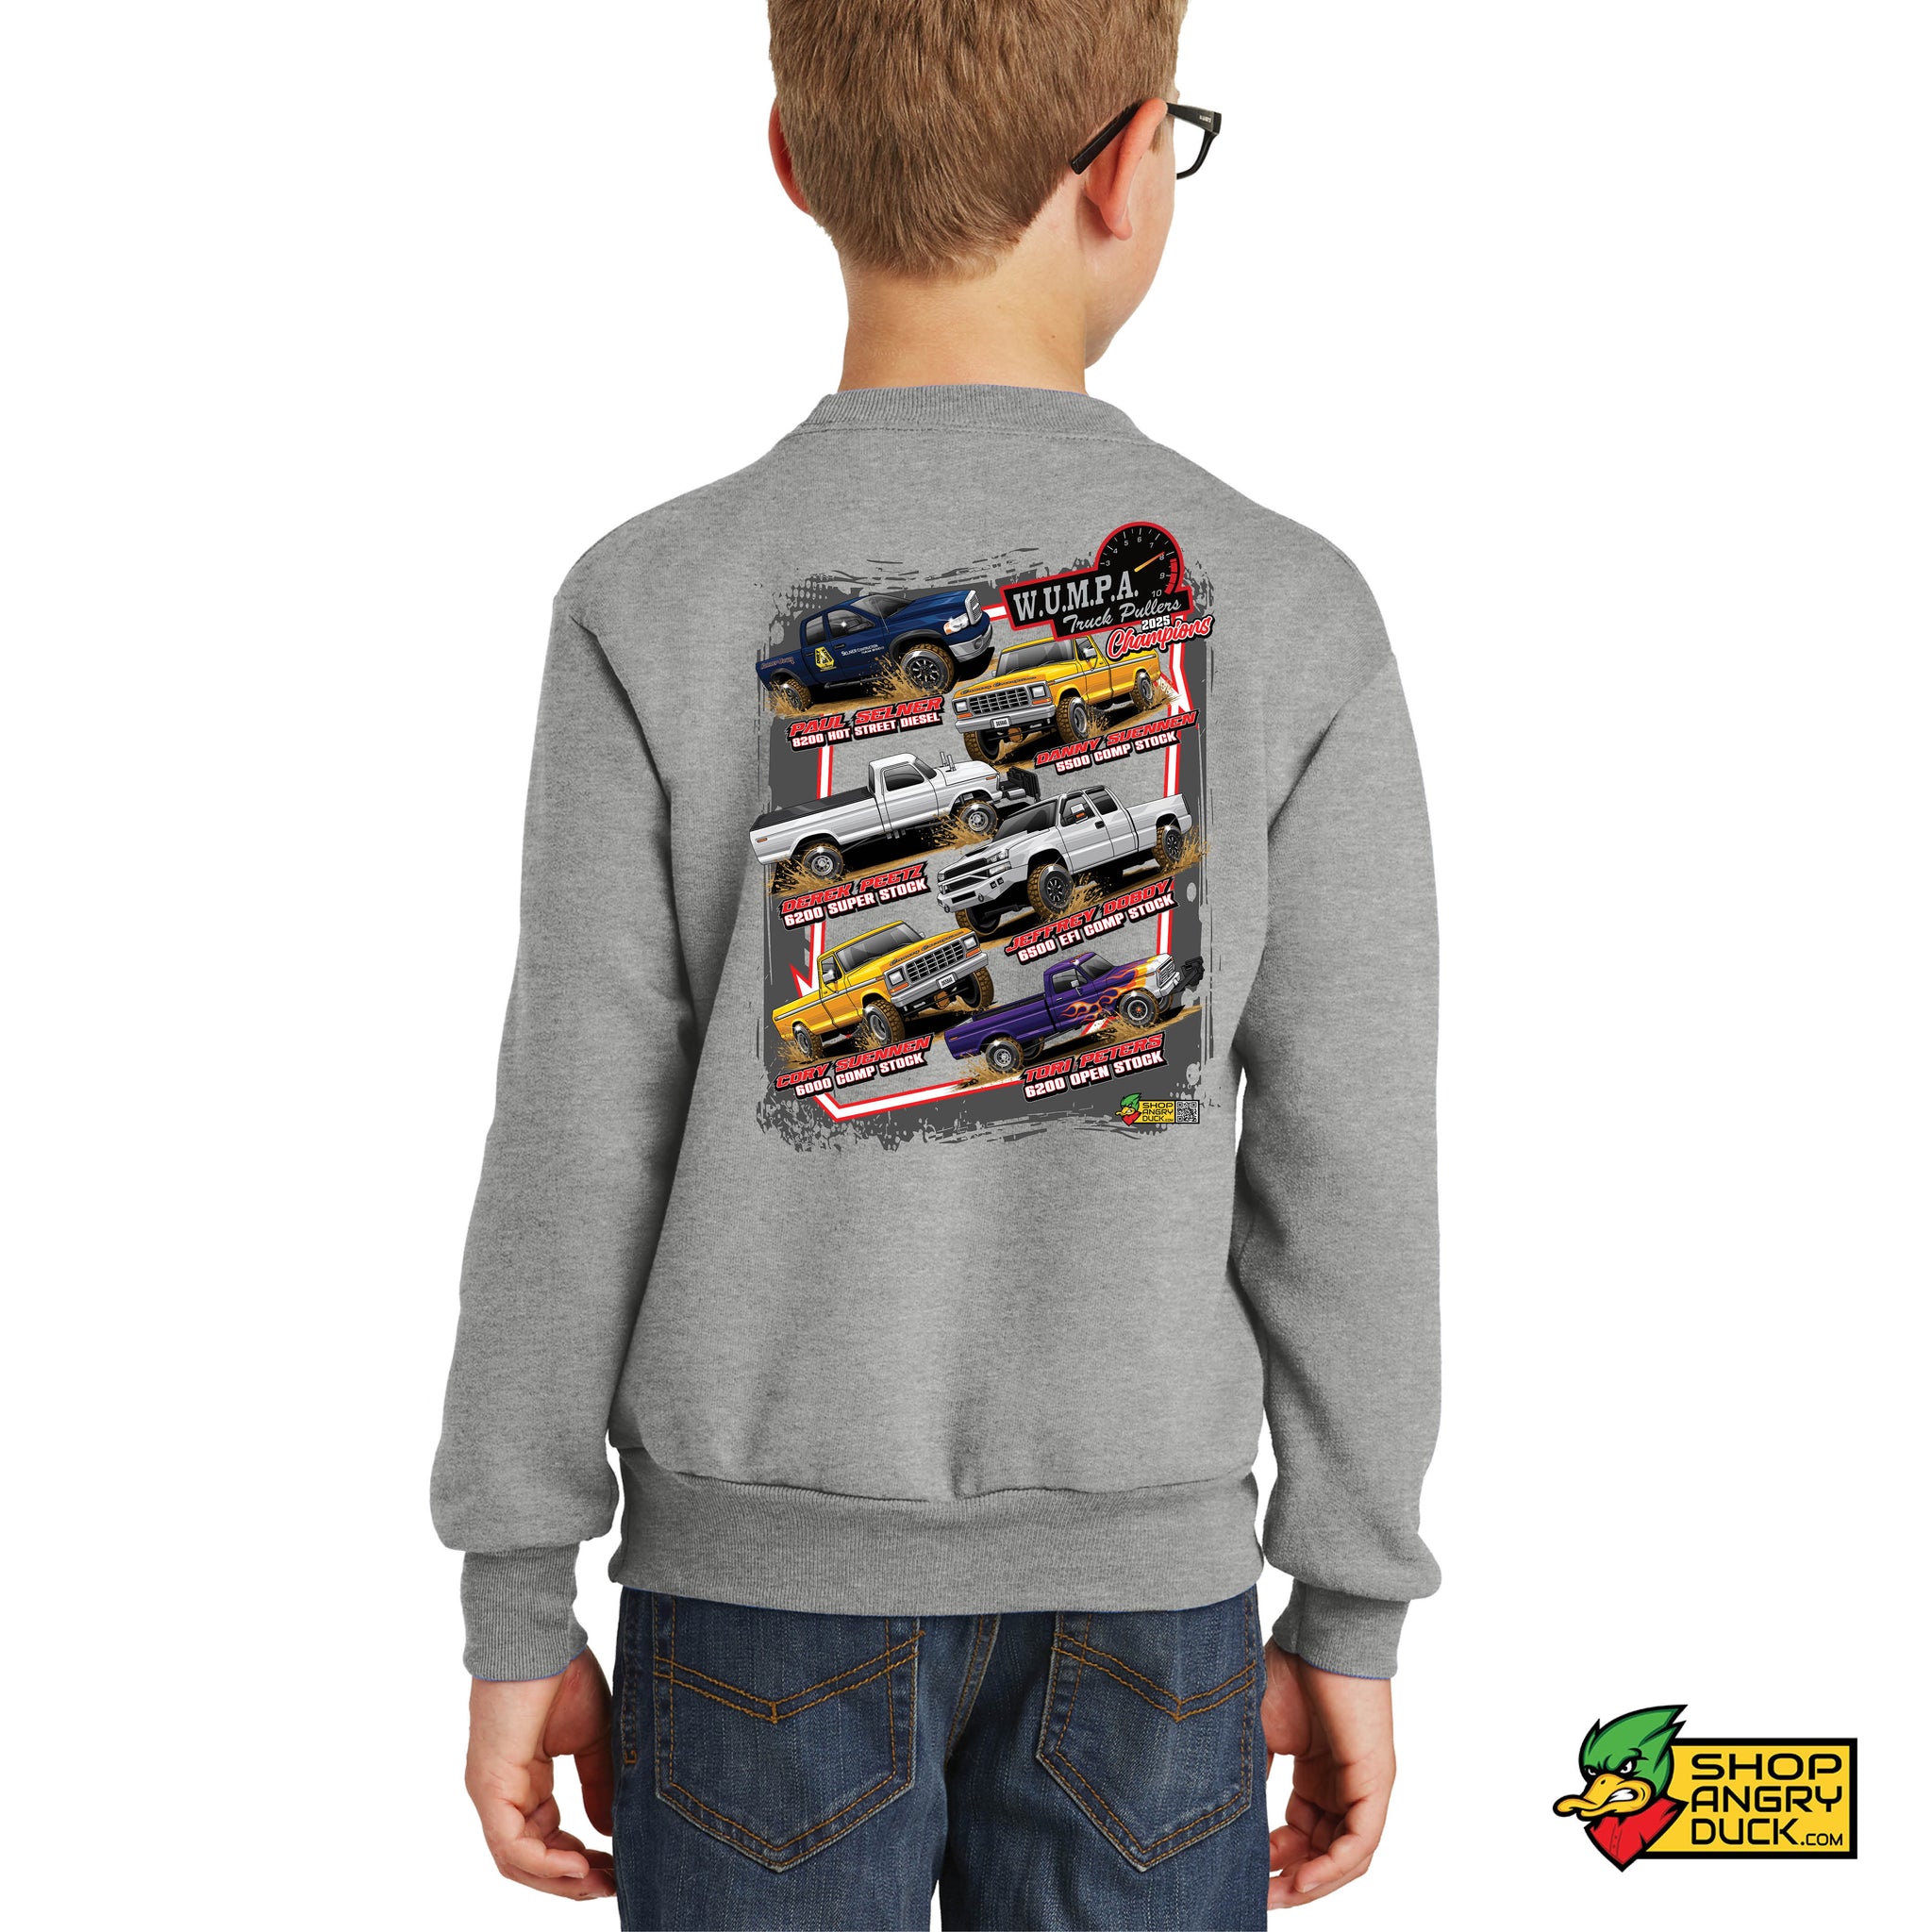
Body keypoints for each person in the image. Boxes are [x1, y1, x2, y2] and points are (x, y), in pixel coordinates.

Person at [433, 3, 1441, 1925]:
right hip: (1150, 1608)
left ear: (792, 159)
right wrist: (1352, 1598)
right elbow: (1353, 1163)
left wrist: (515, 1592)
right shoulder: (1295, 608)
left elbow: (572, 1136)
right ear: (1126, 165)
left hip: (750, 1600)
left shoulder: (651, 597)